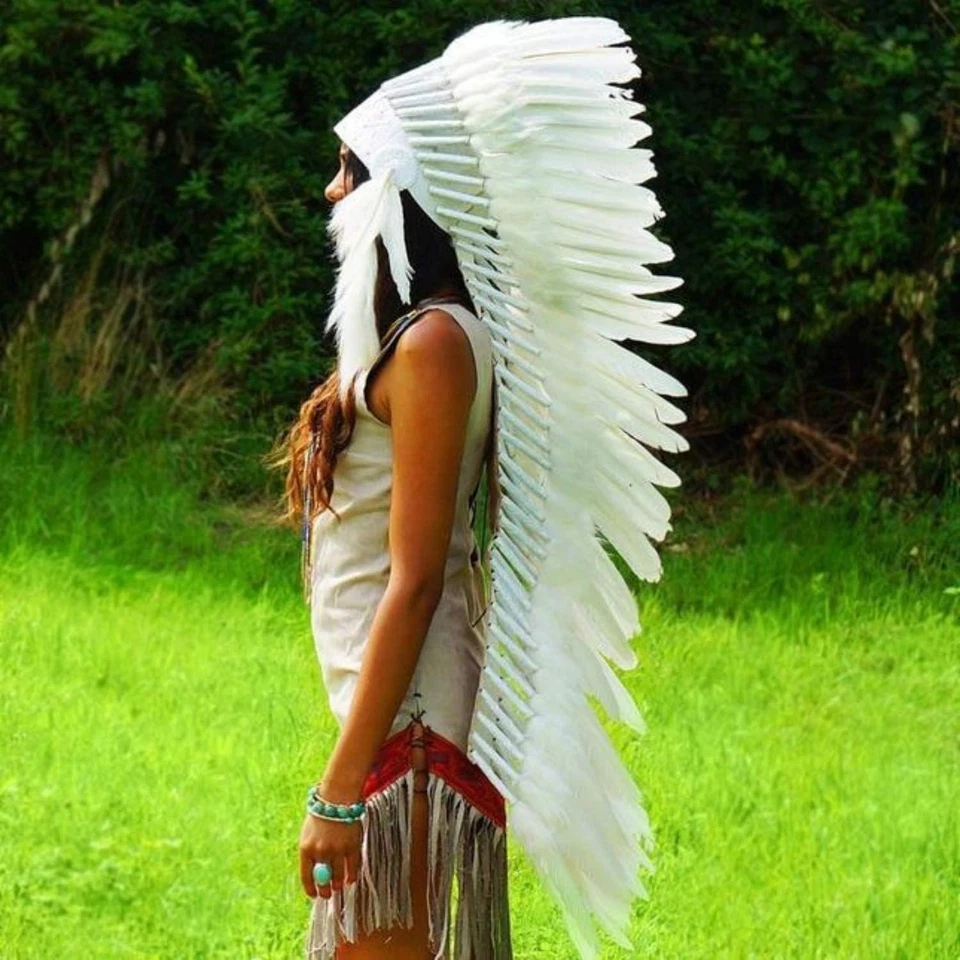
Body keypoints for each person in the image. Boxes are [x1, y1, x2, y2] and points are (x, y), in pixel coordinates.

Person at [272, 14, 692, 960]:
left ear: (404, 195)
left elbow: (417, 578)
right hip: (397, 706)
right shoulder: (417, 333)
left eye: (351, 170)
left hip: (413, 723)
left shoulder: (431, 345)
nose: (331, 190)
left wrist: (338, 792)